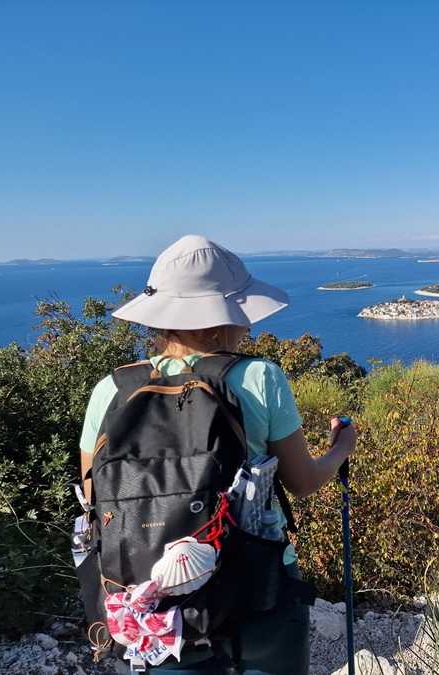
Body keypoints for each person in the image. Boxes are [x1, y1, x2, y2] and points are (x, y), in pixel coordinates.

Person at [78, 235, 357, 674]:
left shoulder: (110, 390)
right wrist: (341, 447)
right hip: (256, 586)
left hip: (152, 602)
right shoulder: (259, 377)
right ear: (227, 315)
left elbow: (96, 498)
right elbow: (302, 483)